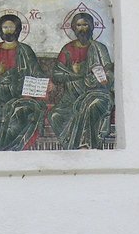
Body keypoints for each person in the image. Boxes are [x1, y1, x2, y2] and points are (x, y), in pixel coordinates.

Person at [0, 14, 46, 151]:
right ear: (0, 30)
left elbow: (37, 73)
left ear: (17, 29)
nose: (8, 30)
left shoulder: (25, 50)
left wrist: (40, 86)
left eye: (11, 27)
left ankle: (5, 151)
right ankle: (2, 151)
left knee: (13, 123)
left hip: (22, 102)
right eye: (5, 27)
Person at [49, 13, 115, 150]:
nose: (82, 28)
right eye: (79, 25)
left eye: (85, 25)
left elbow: (108, 75)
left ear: (91, 27)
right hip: (72, 97)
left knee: (91, 106)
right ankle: (72, 148)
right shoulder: (67, 49)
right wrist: (75, 74)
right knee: (55, 115)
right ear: (74, 28)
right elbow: (56, 74)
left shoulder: (99, 48)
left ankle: (86, 146)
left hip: (98, 94)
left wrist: (101, 78)